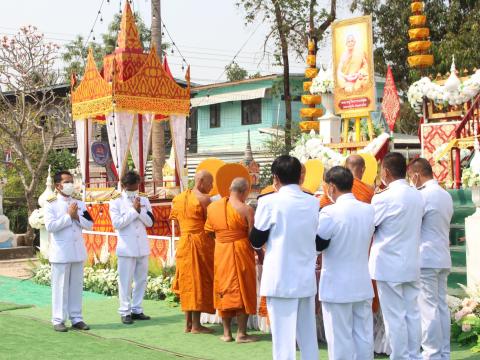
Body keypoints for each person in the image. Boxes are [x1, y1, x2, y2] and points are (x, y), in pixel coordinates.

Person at [250, 155, 319, 360]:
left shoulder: (269, 201)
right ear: (300, 177)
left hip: (280, 277)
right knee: (307, 335)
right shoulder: (312, 202)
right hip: (305, 277)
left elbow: (256, 239)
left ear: (275, 178)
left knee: (283, 339)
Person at [369, 152, 424, 360]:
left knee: (395, 316)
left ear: (386, 172)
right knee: (412, 312)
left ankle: (400, 356)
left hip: (389, 263)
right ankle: (413, 355)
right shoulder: (417, 194)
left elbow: (370, 226)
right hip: (410, 261)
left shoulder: (383, 198)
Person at [317, 166, 375, 360]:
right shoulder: (368, 210)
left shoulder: (329, 212)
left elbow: (318, 244)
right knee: (364, 336)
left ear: (331, 187)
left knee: (339, 338)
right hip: (361, 282)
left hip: (336, 285)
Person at [408, 158, 454, 360]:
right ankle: (443, 353)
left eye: (411, 177)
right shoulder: (445, 194)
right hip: (442, 255)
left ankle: (432, 354)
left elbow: (413, 225)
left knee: (428, 309)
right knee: (441, 307)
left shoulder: (422, 195)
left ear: (416, 175)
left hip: (426, 257)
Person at [205, 177, 257, 343]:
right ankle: (241, 333)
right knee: (244, 288)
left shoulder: (213, 207)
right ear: (244, 191)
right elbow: (252, 237)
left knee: (223, 287)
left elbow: (210, 231)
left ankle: (227, 334)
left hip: (221, 250)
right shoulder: (246, 209)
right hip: (241, 251)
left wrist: (224, 239)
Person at [44, 170, 93, 332]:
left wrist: (77, 217)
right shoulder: (51, 203)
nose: (71, 184)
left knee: (76, 287)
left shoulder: (79, 202)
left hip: (77, 250)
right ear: (58, 186)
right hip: (61, 252)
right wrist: (68, 216)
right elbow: (51, 226)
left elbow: (90, 223)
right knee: (60, 287)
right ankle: (58, 319)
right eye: (67, 182)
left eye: (71, 181)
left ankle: (77, 318)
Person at [170, 170, 216, 334]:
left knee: (187, 282)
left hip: (183, 242)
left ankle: (188, 323)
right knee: (197, 282)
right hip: (199, 243)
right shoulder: (204, 200)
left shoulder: (179, 198)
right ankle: (196, 325)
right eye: (210, 183)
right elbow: (210, 224)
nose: (211, 187)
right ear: (201, 181)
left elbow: (173, 222)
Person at [109, 171, 154, 324]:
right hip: (126, 247)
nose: (134, 190)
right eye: (131, 187)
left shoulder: (144, 199)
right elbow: (117, 223)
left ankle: (137, 309)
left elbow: (150, 222)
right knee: (125, 281)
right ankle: (125, 311)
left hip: (142, 245)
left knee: (141, 279)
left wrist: (139, 211)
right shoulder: (115, 201)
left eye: (136, 187)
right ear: (123, 185)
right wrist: (133, 211)